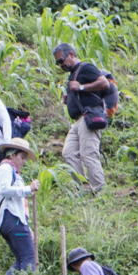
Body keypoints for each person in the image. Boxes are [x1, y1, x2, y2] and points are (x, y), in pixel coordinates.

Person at [52, 42, 114, 196]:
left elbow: (104, 83)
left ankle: (100, 190)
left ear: (71, 54)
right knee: (68, 153)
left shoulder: (86, 68)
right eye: (57, 63)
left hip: (89, 116)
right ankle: (84, 188)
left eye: (62, 60)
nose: (60, 65)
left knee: (89, 154)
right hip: (78, 121)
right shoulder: (73, 75)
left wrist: (81, 87)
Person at [0, 141, 39, 273]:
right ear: (12, 155)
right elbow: (5, 190)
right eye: (22, 157)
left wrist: (26, 226)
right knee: (29, 258)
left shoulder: (12, 171)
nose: (24, 162)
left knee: (21, 260)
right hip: (12, 219)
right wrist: (28, 189)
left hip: (14, 219)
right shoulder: (5, 168)